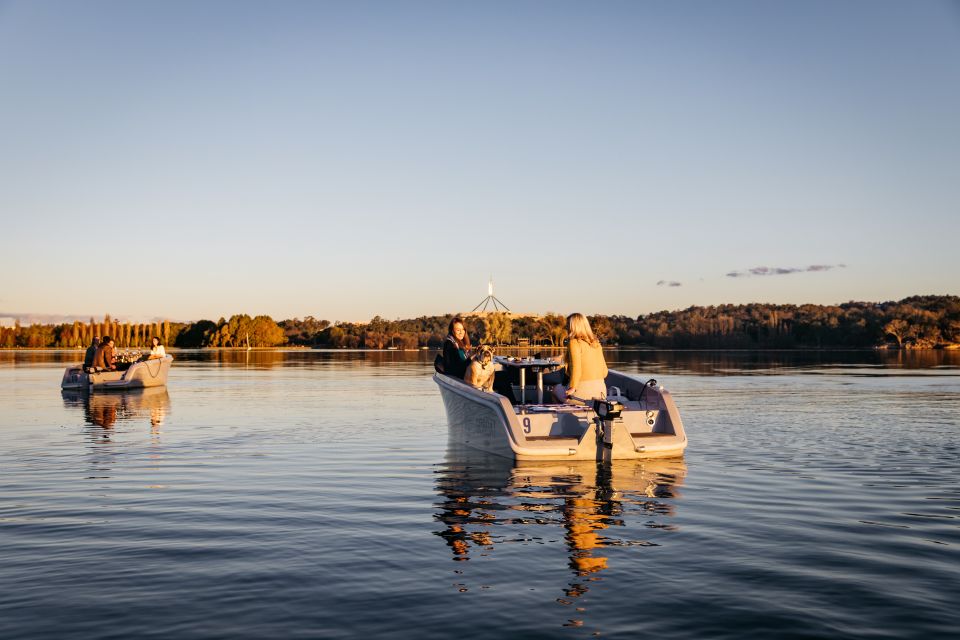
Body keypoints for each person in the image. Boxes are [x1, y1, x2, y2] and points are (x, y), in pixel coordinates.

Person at [549, 313, 608, 403]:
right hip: (601, 393)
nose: (566, 328)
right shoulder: (596, 344)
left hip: (581, 395)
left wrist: (573, 387)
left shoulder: (574, 343)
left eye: (568, 325)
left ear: (574, 326)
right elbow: (605, 372)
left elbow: (577, 368)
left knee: (554, 389)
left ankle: (564, 415)